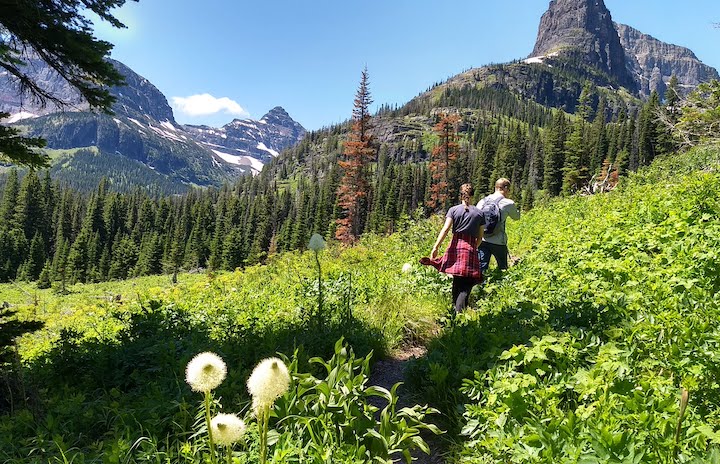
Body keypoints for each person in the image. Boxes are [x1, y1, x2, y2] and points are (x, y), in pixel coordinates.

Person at [421, 183, 484, 313]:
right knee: (466, 284)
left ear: (460, 195)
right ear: (472, 195)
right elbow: (480, 238)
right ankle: (460, 313)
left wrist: (436, 247)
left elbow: (445, 230)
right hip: (470, 249)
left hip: (456, 247)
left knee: (457, 280)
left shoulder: (454, 210)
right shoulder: (479, 213)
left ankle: (456, 313)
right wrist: (473, 247)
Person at [477, 178, 521, 272]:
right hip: (499, 242)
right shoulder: (508, 203)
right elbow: (516, 217)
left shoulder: (482, 201)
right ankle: (501, 285)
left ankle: (479, 285)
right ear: (505, 188)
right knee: (503, 268)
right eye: (508, 190)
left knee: (481, 268)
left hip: (482, 239)